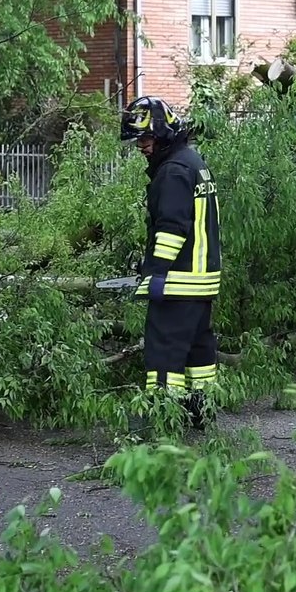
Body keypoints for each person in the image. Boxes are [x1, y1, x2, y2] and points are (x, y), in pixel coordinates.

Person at [120, 95, 222, 429]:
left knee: (164, 354)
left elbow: (172, 228)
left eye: (146, 139)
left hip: (178, 280)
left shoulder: (173, 171)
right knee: (198, 353)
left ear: (163, 133)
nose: (142, 147)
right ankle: (201, 413)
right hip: (201, 279)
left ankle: (165, 419)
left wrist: (154, 273)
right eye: (139, 141)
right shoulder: (193, 161)